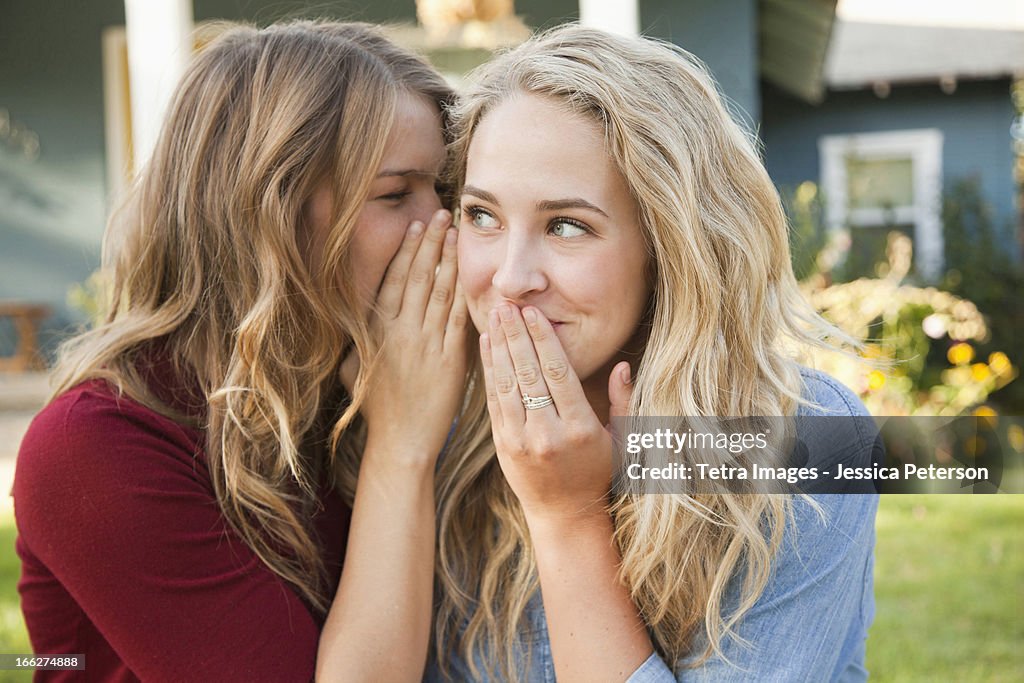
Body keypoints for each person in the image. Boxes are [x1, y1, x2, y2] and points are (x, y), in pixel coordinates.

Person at [13, 21, 469, 682]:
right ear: (269, 217)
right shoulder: (98, 445)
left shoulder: (377, 369)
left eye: (448, 192)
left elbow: (655, 465)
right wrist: (400, 447)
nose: (444, 226)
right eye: (397, 194)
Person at [425, 25, 877, 682]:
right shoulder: (441, 439)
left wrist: (568, 516)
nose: (509, 276)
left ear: (667, 247)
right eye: (482, 215)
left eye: (567, 225)